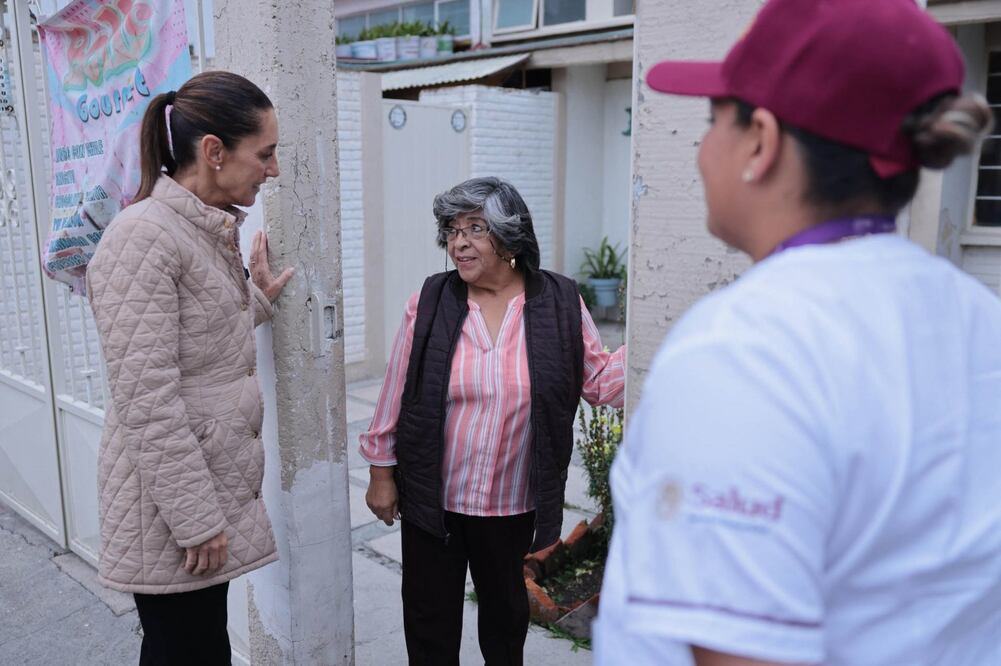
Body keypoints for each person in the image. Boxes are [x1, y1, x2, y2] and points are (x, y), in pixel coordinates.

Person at [594, 1, 1001, 665]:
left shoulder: (746, 350)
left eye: (712, 121)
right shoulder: (978, 317)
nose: (700, 151)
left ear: (761, 140)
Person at [360, 177, 626, 665]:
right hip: (434, 500)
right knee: (429, 622)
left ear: (509, 238)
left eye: (474, 229)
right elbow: (396, 390)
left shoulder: (559, 302)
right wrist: (381, 472)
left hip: (511, 504)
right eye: (452, 230)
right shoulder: (430, 301)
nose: (458, 243)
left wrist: (661, 339)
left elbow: (599, 381)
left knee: (505, 624)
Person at [86, 71, 293, 665]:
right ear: (213, 151)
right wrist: (197, 521)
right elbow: (146, 398)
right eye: (265, 153)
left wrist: (255, 300)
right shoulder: (142, 237)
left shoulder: (198, 227)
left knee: (190, 648)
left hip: (201, 491)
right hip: (173, 508)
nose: (274, 169)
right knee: (190, 651)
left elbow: (194, 337)